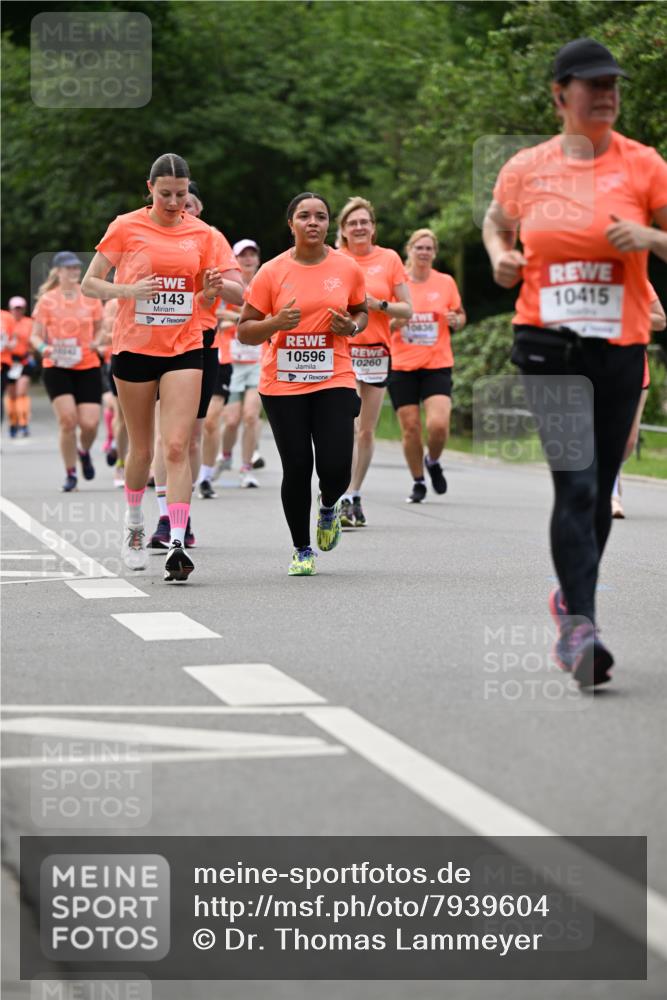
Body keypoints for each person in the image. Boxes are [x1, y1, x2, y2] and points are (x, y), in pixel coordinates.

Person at [483, 38, 667, 687]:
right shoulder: (526, 167)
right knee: (578, 483)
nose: (607, 93)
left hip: (617, 344)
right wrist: (500, 256)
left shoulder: (644, 165)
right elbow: (496, 222)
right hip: (546, 342)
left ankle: (570, 599)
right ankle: (580, 630)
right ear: (561, 94)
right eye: (593, 84)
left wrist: (648, 237)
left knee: (600, 482)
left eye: (612, 83)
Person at [81, 153, 230, 581]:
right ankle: (133, 525)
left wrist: (209, 291)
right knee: (142, 450)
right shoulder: (126, 226)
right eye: (165, 194)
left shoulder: (201, 233)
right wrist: (128, 290)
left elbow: (199, 297)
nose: (174, 202)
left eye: (181, 195)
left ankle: (177, 541)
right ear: (150, 189)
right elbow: (91, 282)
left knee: (177, 445)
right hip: (135, 347)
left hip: (184, 346)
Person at [237, 192, 368, 575]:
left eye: (321, 216)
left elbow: (360, 311)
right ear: (291, 224)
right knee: (297, 467)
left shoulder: (347, 268)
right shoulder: (272, 272)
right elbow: (245, 330)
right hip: (283, 383)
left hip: (334, 376)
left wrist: (352, 327)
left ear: (329, 224)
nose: (313, 222)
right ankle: (302, 549)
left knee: (337, 468)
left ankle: (328, 507)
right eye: (305, 216)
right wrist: (275, 324)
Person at [147, 185, 241, 546]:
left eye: (189, 204)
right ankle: (164, 518)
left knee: (191, 436)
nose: (181, 208)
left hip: (201, 343)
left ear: (198, 210)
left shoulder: (212, 240)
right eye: (174, 201)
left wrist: (216, 281)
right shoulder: (151, 238)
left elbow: (240, 293)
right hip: (159, 343)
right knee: (166, 436)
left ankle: (181, 516)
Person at [336, 197, 412, 526]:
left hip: (377, 352)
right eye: (352, 223)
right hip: (343, 350)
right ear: (343, 229)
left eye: (364, 222)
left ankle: (354, 493)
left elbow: (407, 309)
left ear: (373, 227)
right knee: (349, 425)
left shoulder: (389, 259)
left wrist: (378, 304)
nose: (359, 227)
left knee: (366, 431)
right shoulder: (335, 259)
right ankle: (340, 495)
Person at [388, 229, 466, 502]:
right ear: (409, 250)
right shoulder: (397, 283)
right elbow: (381, 323)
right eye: (419, 247)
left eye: (428, 248)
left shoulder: (445, 282)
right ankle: (418, 481)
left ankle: (432, 460)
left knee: (438, 425)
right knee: (410, 428)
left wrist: (457, 321)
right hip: (402, 365)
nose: (423, 252)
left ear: (434, 253)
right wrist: (395, 323)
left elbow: (460, 315)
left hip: (437, 363)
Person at [30, 252, 104, 491]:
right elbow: (35, 336)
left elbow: (101, 329)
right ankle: (71, 474)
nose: (74, 271)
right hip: (57, 366)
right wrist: (45, 348)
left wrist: (96, 342)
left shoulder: (90, 297)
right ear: (58, 272)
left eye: (76, 268)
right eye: (69, 268)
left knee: (90, 424)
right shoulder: (47, 300)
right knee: (68, 420)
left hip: (87, 365)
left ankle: (84, 451)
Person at [611, 284, 666, 517]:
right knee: (604, 432)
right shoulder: (592, 275)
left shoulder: (638, 281)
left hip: (634, 366)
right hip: (597, 365)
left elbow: (660, 320)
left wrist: (630, 315)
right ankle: (612, 493)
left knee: (629, 440)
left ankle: (613, 473)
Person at [216, 238, 264, 490]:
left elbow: (269, 317)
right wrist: (243, 319)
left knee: (251, 415)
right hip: (231, 360)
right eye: (242, 255)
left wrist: (235, 318)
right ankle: (225, 456)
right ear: (235, 260)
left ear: (258, 259)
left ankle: (246, 468)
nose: (247, 259)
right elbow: (216, 314)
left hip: (258, 359)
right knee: (232, 419)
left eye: (252, 254)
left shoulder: (264, 283)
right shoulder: (229, 285)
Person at [4, 296, 34, 437]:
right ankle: (13, 422)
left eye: (20, 309)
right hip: (9, 361)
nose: (18, 311)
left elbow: (34, 340)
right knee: (11, 395)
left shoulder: (29, 323)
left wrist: (32, 353)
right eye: (15, 309)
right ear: (10, 309)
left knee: (21, 393)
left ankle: (23, 423)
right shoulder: (5, 322)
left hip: (23, 360)